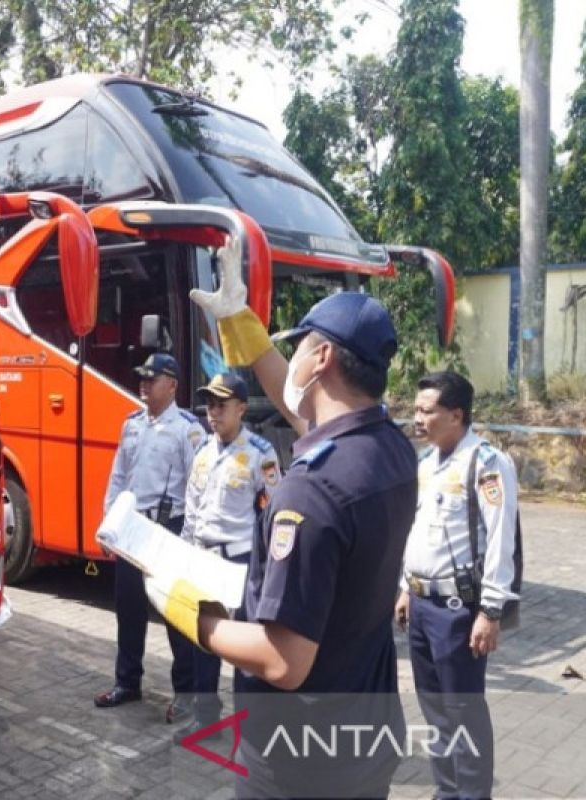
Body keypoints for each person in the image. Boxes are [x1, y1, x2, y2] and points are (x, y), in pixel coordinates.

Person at [160, 237, 418, 798]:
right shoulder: (389, 448)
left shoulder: (310, 491)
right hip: (365, 734)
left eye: (298, 345)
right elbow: (312, 416)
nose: (293, 356)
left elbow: (284, 661)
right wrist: (241, 325)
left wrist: (194, 619)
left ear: (322, 357)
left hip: (300, 761)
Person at [395, 370, 520, 800]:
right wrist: (404, 588)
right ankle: (447, 791)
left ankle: (471, 794)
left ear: (456, 415)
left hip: (457, 612)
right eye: (416, 409)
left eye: (427, 411)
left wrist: (490, 612)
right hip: (422, 605)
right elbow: (417, 531)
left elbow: (502, 539)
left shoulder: (486, 463)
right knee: (435, 712)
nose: (417, 419)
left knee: (463, 711)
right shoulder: (426, 464)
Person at [94, 352, 205, 720]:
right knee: (128, 609)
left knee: (175, 616)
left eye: (151, 378)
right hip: (132, 529)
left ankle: (186, 692)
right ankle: (128, 682)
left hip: (168, 529)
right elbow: (118, 478)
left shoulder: (188, 430)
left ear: (171, 385)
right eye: (141, 377)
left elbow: (198, 487)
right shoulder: (132, 424)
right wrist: (108, 524)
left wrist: (190, 538)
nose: (143, 383)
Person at [174, 372, 280, 730]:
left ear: (242, 408)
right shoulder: (203, 452)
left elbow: (271, 516)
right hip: (203, 559)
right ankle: (206, 719)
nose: (213, 413)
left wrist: (264, 571)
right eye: (209, 405)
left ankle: (252, 724)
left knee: (244, 648)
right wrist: (186, 555)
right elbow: (192, 509)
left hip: (239, 563)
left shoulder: (260, 457)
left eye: (221, 405)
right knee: (204, 643)